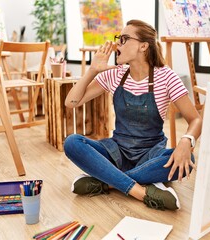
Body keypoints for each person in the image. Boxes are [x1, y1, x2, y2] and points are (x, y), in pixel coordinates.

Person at [64, 19, 202, 211]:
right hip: (116, 151)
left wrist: (187, 141)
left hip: (151, 154)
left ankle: (107, 182)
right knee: (72, 143)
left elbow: (195, 119)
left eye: (124, 39)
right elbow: (71, 102)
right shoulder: (114, 75)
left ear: (143, 46)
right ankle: (141, 192)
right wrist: (92, 70)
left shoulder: (167, 77)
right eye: (118, 39)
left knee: (188, 160)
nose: (116, 44)